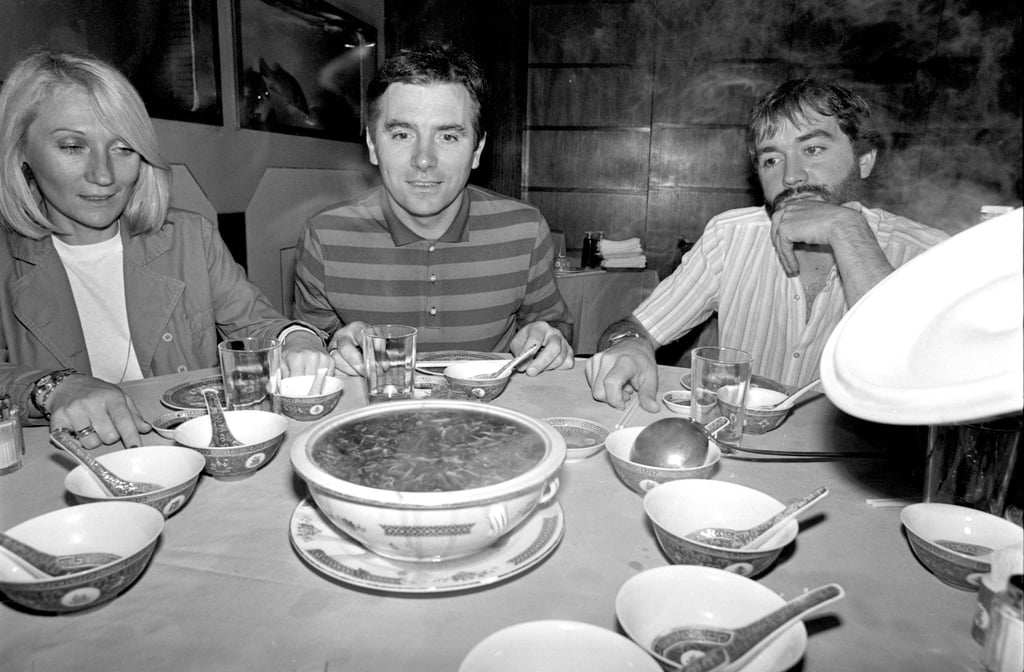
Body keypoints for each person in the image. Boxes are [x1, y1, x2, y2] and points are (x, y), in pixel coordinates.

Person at [0, 49, 332, 449]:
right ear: (20, 153)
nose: (103, 175)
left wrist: (300, 338)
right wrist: (51, 387)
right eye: (73, 146)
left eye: (123, 148)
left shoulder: (190, 236)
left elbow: (259, 326)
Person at [587, 78, 948, 412]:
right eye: (772, 159)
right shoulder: (730, 237)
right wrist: (631, 344)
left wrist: (846, 228)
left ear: (863, 160)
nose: (791, 176)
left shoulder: (929, 253)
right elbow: (633, 328)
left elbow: (920, 387)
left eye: (814, 149)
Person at [292, 42, 574, 378]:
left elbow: (556, 329)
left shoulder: (525, 229)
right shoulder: (325, 235)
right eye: (401, 134)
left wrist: (546, 340)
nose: (423, 159)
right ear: (372, 145)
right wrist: (329, 348)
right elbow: (307, 347)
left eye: (448, 137)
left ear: (477, 149)